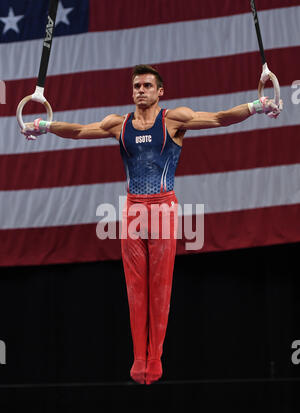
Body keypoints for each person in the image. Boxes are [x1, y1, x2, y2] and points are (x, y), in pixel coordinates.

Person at [21, 64, 283, 385]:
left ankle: (155, 357)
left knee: (160, 286)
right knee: (134, 288)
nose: (140, 91)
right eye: (136, 86)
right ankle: (138, 357)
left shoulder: (173, 120)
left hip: (162, 208)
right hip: (132, 210)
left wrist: (256, 106)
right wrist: (44, 125)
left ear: (160, 92)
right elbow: (77, 130)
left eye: (147, 86)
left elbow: (218, 117)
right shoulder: (118, 124)